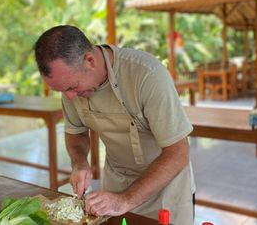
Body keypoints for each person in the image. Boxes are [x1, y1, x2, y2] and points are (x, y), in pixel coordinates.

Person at [34, 25, 195, 224]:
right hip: (116, 184)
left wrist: (126, 200)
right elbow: (76, 132)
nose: (69, 96)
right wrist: (80, 162)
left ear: (90, 61)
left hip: (166, 190)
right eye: (62, 91)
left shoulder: (146, 74)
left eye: (72, 87)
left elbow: (178, 153)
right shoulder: (71, 87)